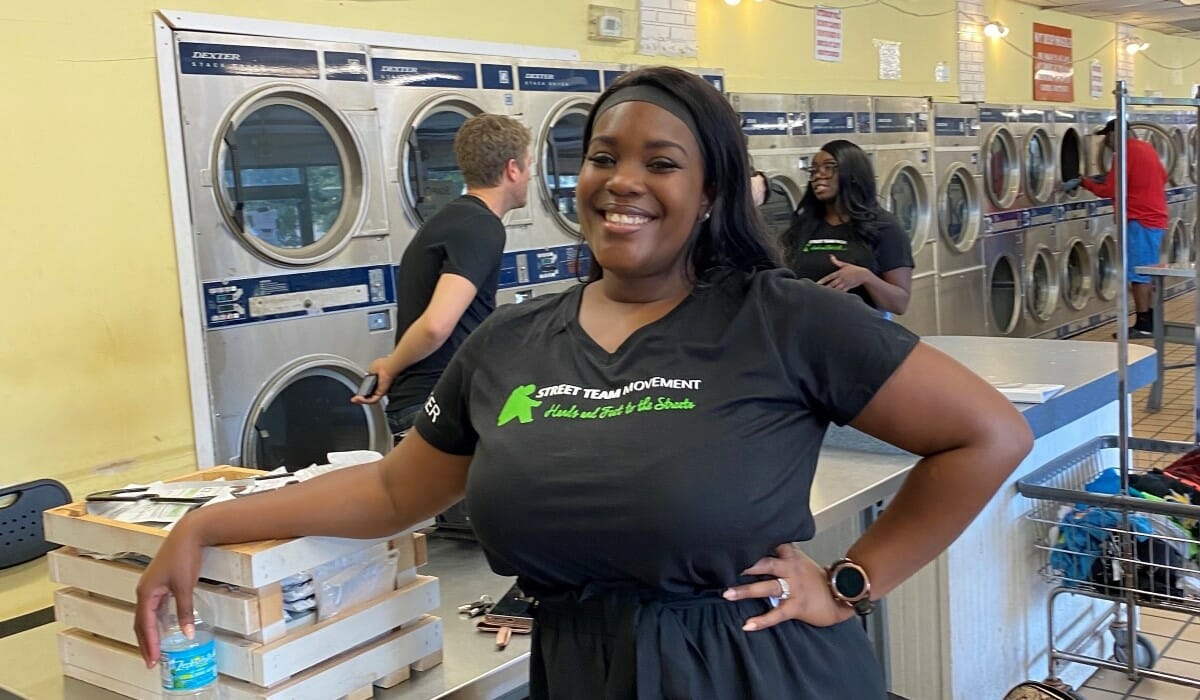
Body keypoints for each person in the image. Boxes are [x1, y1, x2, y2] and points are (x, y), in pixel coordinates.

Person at [135, 67, 1032, 698]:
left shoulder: (782, 317)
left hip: (755, 674)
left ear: (716, 190)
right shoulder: (514, 344)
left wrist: (850, 583)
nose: (622, 182)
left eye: (661, 161)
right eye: (603, 156)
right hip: (575, 669)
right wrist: (208, 520)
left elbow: (988, 435)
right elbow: (389, 488)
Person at [351, 113, 533, 438]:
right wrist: (390, 366)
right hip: (435, 403)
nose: (530, 176)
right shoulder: (481, 227)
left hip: (426, 401)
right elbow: (437, 326)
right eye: (529, 165)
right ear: (512, 169)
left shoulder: (453, 220)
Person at [779, 139, 914, 315]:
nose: (818, 175)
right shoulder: (803, 225)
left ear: (852, 173)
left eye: (829, 167)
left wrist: (865, 277)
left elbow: (899, 303)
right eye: (814, 169)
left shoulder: (884, 226)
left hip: (862, 334)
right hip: (809, 332)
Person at [1064, 119, 1168, 338]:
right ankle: (1150, 319)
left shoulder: (1124, 153)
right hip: (1154, 217)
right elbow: (1162, 176)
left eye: (1107, 137)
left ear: (1114, 135)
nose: (1107, 143)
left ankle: (1143, 325)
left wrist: (1084, 182)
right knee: (1146, 271)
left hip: (1140, 219)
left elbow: (1109, 190)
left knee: (1138, 274)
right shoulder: (1145, 148)